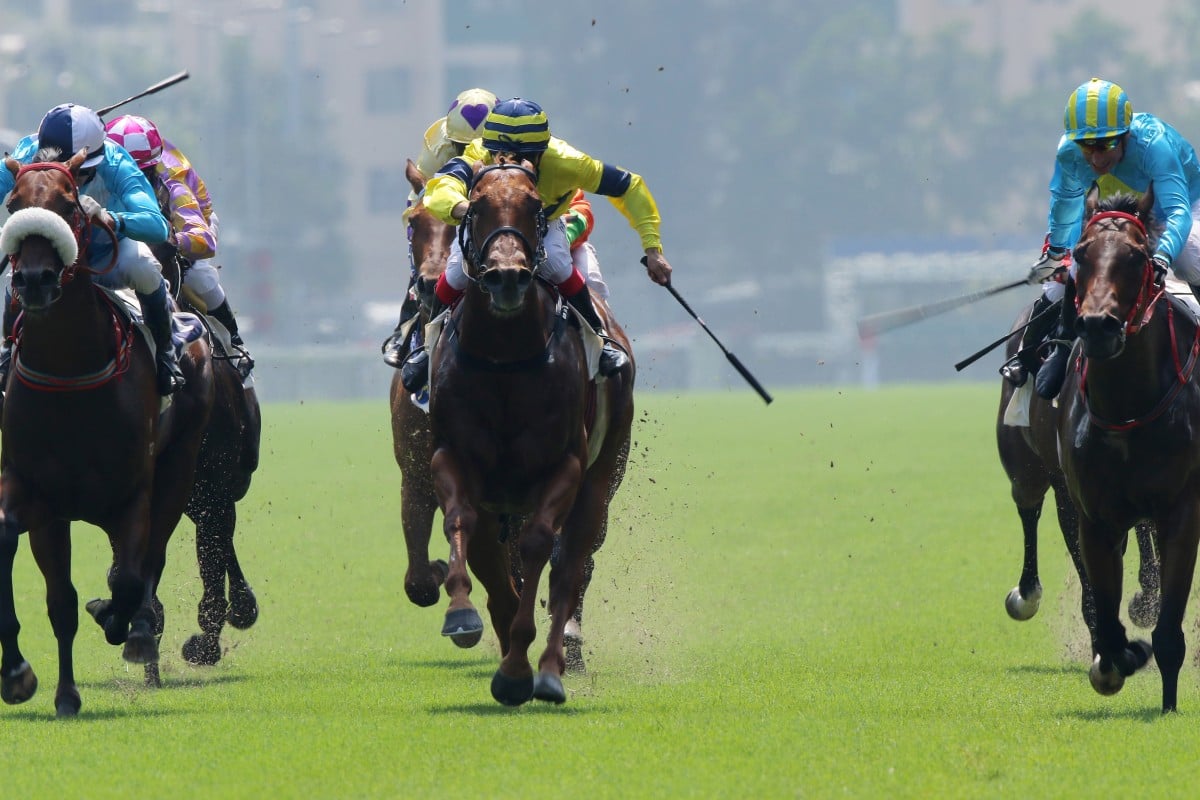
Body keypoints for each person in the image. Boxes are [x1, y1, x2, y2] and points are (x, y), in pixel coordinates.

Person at [405, 96, 673, 385]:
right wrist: (465, 209)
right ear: (489, 148)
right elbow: (439, 188)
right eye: (501, 155)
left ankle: (601, 341)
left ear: (542, 152)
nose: (511, 164)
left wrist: (652, 247)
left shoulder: (567, 161)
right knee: (456, 272)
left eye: (525, 157)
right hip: (485, 225)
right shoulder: (477, 155)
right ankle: (425, 348)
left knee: (557, 264)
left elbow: (628, 186)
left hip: (541, 224)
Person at [1016, 77, 1200, 400]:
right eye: (1087, 146)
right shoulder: (1070, 154)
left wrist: (1162, 256)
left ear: (1126, 135)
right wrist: (1055, 254)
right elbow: (1065, 208)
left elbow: (1178, 212)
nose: (1096, 158)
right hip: (1116, 208)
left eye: (1106, 146)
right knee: (1067, 274)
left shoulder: (1154, 145)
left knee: (1188, 256)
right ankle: (1046, 350)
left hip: (1182, 202)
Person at [0, 103, 183, 395]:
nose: (78, 181)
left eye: (85, 173)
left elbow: (157, 225)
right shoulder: (25, 154)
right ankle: (7, 353)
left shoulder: (115, 161)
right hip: (55, 256)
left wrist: (111, 218)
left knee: (145, 269)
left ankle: (165, 353)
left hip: (108, 252)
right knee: (17, 280)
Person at [104, 114, 252, 369]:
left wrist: (168, 239)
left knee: (200, 278)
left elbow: (203, 241)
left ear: (152, 169)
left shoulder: (174, 183)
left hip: (191, 221)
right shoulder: (102, 173)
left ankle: (235, 346)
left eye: (140, 173)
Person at [381, 88, 498, 369]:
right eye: (459, 147)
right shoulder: (437, 148)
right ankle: (406, 329)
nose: (466, 154)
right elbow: (422, 201)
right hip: (451, 206)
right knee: (428, 262)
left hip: (496, 210)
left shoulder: (511, 147)